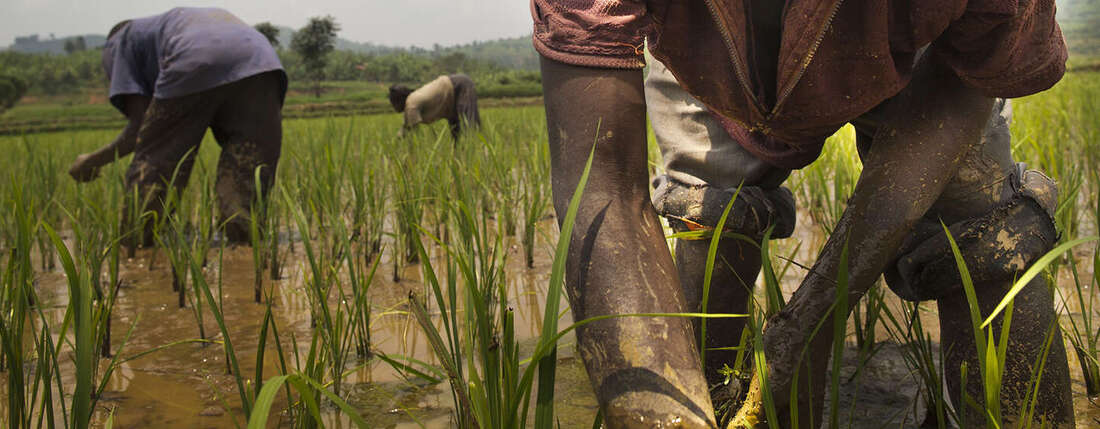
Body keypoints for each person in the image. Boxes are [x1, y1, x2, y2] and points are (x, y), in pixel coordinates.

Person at [532, 1, 1072, 428]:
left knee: (983, 230)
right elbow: (602, 185)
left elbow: (970, 69)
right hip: (706, 55)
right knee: (710, 213)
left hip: (910, 47)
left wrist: (811, 322)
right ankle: (712, 399)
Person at [67, 7, 287, 246]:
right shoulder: (164, 27)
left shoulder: (118, 41)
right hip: (261, 60)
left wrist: (92, 161)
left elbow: (140, 127)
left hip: (194, 57)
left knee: (156, 163)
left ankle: (137, 244)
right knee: (246, 169)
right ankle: (246, 248)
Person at [388, 74, 481, 139]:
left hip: (460, 86)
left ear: (399, 100)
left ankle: (481, 152)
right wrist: (396, 140)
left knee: (471, 127)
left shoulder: (411, 105)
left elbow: (413, 134)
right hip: (451, 97)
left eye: (393, 103)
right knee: (456, 131)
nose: (393, 107)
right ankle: (459, 154)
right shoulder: (412, 101)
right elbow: (407, 126)